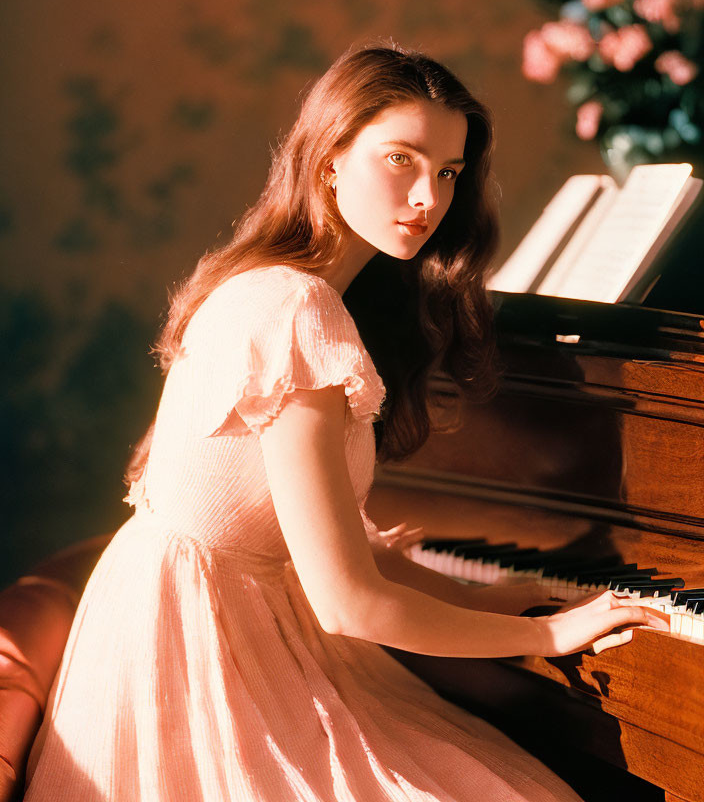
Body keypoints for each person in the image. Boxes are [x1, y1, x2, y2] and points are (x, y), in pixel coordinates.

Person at [24, 42, 668, 801]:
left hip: (228, 630)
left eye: (449, 172)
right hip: (207, 670)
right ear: (330, 157)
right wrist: (543, 633)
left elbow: (297, 544)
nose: (428, 197)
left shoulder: (274, 284)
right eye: (401, 159)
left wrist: (484, 597)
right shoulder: (296, 306)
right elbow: (347, 599)